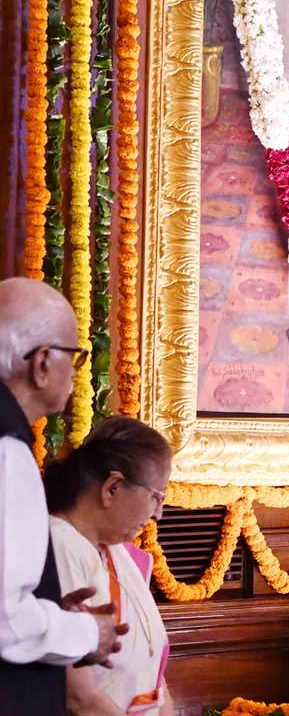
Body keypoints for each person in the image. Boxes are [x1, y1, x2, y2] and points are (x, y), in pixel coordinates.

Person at [0, 277, 125, 715]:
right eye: (74, 356)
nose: (77, 371)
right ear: (41, 363)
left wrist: (53, 615)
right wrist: (86, 633)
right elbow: (4, 621)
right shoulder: (7, 452)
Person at [45, 417, 174, 716]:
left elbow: (154, 676)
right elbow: (78, 697)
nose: (159, 514)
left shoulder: (119, 552)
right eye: (156, 497)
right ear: (112, 487)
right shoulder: (59, 545)